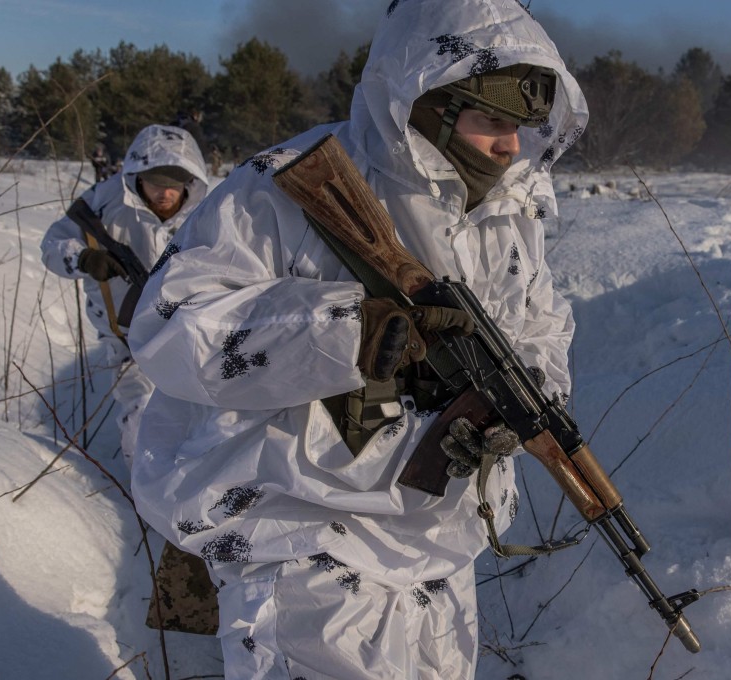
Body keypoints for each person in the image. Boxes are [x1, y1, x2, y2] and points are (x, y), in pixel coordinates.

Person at [127, 1, 588, 678]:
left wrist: (526, 394)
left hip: (437, 542)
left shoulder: (509, 212)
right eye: (492, 119)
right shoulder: (286, 187)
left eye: (520, 125)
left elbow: (539, 323)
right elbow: (171, 326)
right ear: (428, 98)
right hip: (301, 531)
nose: (510, 146)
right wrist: (353, 331)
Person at [41, 124, 208, 465]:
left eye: (174, 184)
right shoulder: (104, 204)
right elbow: (53, 244)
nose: (165, 193)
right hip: (128, 343)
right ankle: (145, 502)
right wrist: (84, 258)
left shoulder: (207, 213)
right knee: (141, 421)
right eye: (156, 182)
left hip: (192, 338)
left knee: (209, 425)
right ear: (137, 177)